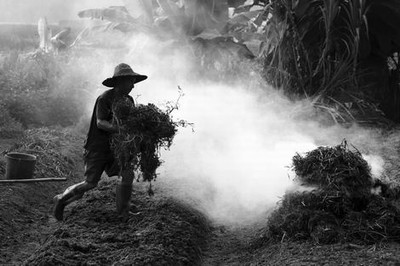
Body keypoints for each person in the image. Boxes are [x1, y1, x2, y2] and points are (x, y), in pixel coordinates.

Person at [53, 63, 147, 222]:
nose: (132, 85)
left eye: (133, 82)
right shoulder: (104, 98)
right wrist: (119, 129)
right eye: (130, 81)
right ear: (119, 82)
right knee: (90, 184)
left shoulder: (129, 100)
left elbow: (130, 122)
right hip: (97, 147)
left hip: (115, 148)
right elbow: (100, 122)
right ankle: (62, 199)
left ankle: (123, 209)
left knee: (127, 173)